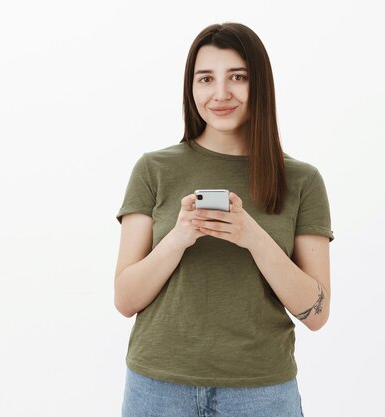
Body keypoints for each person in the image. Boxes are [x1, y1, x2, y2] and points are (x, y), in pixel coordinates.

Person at [114, 22, 333, 417]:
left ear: (259, 85)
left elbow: (316, 314)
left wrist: (253, 235)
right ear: (191, 88)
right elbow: (125, 299)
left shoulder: (302, 180)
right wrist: (178, 238)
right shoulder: (153, 170)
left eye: (237, 77)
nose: (220, 93)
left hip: (261, 391)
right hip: (158, 388)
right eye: (205, 78)